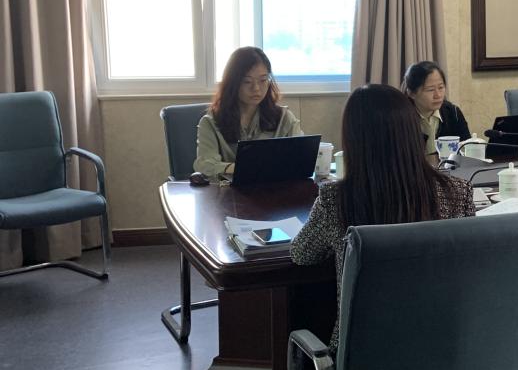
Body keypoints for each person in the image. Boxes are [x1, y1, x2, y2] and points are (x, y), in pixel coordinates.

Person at [290, 85, 475, 350]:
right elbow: (468, 266)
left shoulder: (336, 199)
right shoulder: (456, 192)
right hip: (444, 351)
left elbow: (301, 253)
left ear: (354, 141)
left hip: (361, 357)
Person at [194, 46, 303, 181]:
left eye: (263, 80)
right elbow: (205, 165)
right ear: (233, 83)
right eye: (247, 81)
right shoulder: (211, 122)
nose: (256, 88)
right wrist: (244, 167)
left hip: (275, 190)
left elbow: (302, 157)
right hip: (229, 193)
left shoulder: (284, 118)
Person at [402, 60, 471, 164]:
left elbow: (467, 148)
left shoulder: (453, 113)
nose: (438, 95)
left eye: (441, 87)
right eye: (430, 90)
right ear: (412, 93)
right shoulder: (401, 118)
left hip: (450, 171)